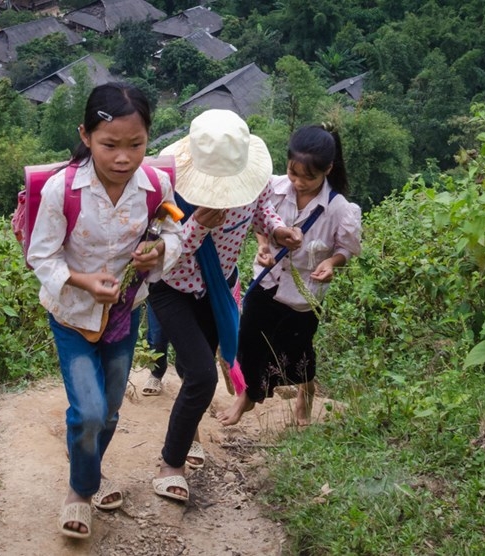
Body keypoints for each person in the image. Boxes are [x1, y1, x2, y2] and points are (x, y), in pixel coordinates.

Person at [27, 82, 181, 538]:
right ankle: (81, 490)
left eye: (136, 145)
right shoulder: (63, 190)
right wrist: (83, 281)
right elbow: (42, 256)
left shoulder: (156, 185)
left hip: (124, 314)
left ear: (148, 139)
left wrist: (158, 255)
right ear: (87, 136)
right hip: (72, 315)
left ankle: (90, 473)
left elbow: (171, 236)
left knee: (111, 409)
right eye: (109, 144)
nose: (123, 158)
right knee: (90, 410)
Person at [147, 109, 303, 502]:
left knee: (190, 367)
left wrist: (277, 229)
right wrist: (198, 223)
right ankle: (171, 464)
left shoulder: (256, 182)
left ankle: (189, 434)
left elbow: (262, 210)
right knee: (202, 375)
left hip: (219, 290)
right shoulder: (168, 190)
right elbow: (164, 253)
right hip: (174, 289)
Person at [217, 124, 362, 428]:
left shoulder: (338, 209)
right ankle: (247, 396)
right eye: (293, 173)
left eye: (309, 178)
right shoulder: (273, 187)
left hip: (303, 294)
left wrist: (332, 264)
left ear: (328, 170)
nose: (298, 183)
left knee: (298, 351)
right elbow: (260, 222)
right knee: (251, 339)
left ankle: (305, 394)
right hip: (267, 280)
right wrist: (263, 247)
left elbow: (345, 248)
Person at [142, 303, 169, 396]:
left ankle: (184, 374)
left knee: (186, 336)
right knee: (156, 335)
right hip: (159, 291)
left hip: (189, 293)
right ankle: (156, 374)